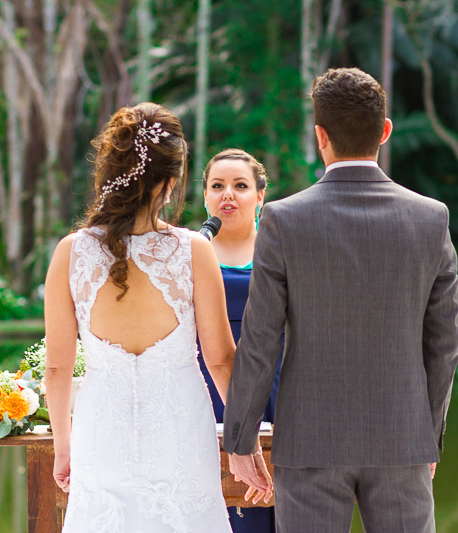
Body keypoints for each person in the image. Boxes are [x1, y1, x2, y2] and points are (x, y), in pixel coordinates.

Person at [223, 67, 458, 532]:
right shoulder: (430, 219)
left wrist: (240, 439)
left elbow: (260, 340)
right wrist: (427, 437)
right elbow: (445, 344)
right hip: (402, 439)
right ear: (385, 131)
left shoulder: (282, 220)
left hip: (309, 440)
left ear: (320, 136)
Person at [43, 102, 237, 532]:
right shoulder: (195, 252)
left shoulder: (70, 253)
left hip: (100, 435)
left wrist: (63, 447)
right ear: (170, 181)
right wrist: (244, 446)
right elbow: (221, 360)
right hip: (181, 436)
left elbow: (56, 367)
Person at [197, 149, 281, 532]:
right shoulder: (186, 251)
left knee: (265, 504)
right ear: (205, 196)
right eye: (218, 186)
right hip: (203, 388)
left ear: (260, 196)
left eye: (240, 186)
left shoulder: (280, 250)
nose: (227, 194)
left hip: (272, 388)